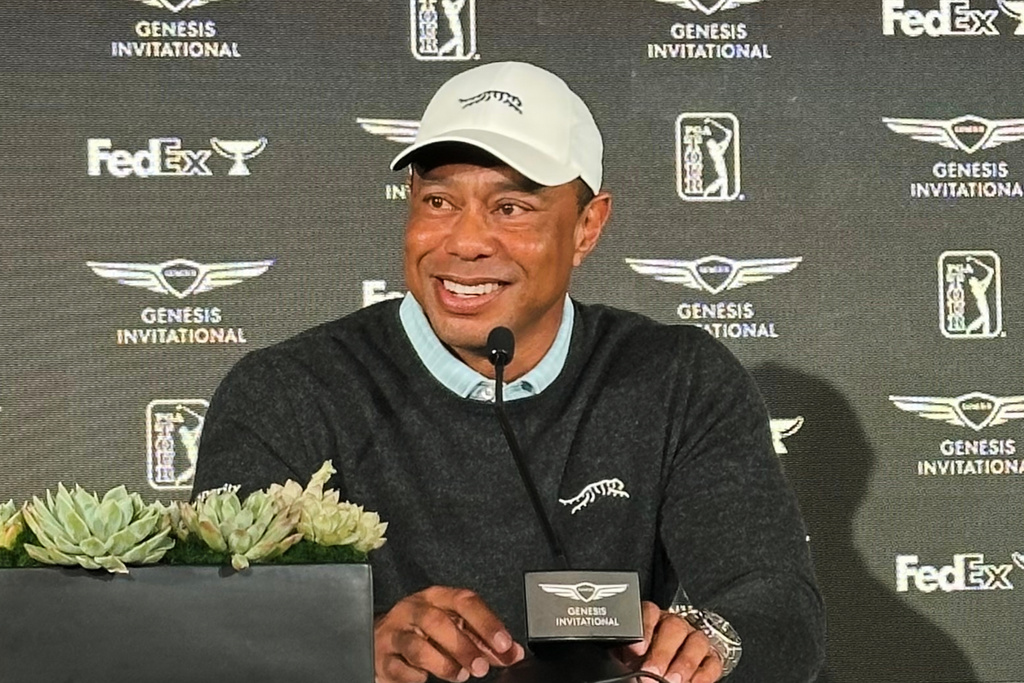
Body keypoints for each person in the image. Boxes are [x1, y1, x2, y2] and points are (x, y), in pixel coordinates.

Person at [193, 61, 825, 683]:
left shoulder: (677, 378)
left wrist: (710, 646)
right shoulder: (286, 391)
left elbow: (777, 604)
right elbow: (221, 624)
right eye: (438, 201)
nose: (465, 242)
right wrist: (357, 644)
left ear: (587, 227)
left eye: (511, 207)